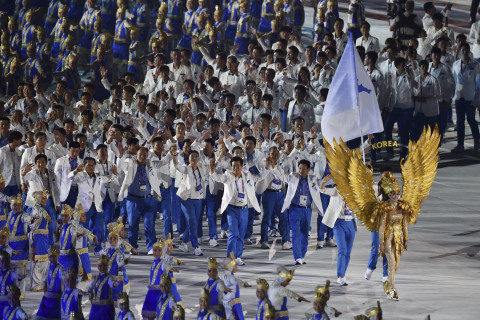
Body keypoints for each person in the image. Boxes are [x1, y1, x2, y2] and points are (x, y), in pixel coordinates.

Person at [323, 128, 440, 299]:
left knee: (390, 254)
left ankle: (387, 279)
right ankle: (371, 268)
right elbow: (356, 169)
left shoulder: (396, 194)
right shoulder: (374, 190)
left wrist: (405, 236)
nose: (389, 182)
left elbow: (405, 215)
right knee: (375, 248)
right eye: (385, 177)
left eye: (390, 178)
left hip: (393, 230)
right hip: (376, 223)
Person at [210, 156, 262, 266]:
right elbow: (217, 178)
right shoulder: (228, 176)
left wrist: (266, 167)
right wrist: (211, 169)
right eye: (233, 166)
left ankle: (238, 256)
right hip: (231, 209)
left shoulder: (247, 175)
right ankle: (230, 257)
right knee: (233, 233)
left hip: (244, 209)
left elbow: (260, 177)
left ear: (242, 166)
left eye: (238, 165)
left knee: (241, 234)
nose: (236, 168)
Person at [118, 147, 163, 254]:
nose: (142, 156)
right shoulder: (131, 164)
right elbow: (121, 166)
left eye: (144, 154)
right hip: (133, 200)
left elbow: (155, 179)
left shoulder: (150, 166)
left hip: (148, 200)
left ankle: (151, 246)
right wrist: (120, 156)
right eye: (140, 154)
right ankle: (132, 246)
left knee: (149, 224)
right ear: (136, 155)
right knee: (133, 225)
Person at [281, 159, 323, 265]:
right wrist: (272, 168)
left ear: (308, 169)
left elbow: (321, 186)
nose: (301, 170)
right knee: (296, 234)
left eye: (304, 168)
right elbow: (282, 176)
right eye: (300, 168)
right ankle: (298, 257)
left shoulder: (312, 179)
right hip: (295, 209)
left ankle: (302, 255)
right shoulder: (292, 178)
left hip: (307, 210)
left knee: (305, 234)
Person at [173, 149, 208, 256]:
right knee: (192, 221)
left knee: (194, 223)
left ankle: (184, 242)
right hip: (186, 199)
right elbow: (177, 166)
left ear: (198, 158)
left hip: (198, 198)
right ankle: (196, 246)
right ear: (188, 159)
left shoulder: (202, 168)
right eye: (191, 156)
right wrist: (174, 155)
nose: (193, 158)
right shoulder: (186, 169)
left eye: (195, 156)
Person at [451, 43, 480, 152]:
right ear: (460, 51)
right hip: (459, 96)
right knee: (459, 121)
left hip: (470, 98)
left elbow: (477, 84)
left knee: (471, 120)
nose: (465, 52)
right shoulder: (455, 64)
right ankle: (460, 144)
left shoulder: (475, 65)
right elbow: (453, 80)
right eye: (463, 50)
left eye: (467, 50)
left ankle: (477, 140)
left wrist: (475, 101)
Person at [29, 190, 52, 291]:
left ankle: (40, 283)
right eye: (43, 198)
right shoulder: (38, 210)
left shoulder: (40, 209)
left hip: (43, 237)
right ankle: (35, 284)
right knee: (38, 259)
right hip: (38, 237)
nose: (45, 199)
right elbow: (34, 225)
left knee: (44, 260)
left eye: (45, 198)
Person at [7, 194, 29, 300]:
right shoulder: (10, 214)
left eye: (17, 205)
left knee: (21, 271)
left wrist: (32, 219)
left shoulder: (23, 215)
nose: (15, 207)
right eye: (13, 205)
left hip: (21, 246)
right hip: (11, 246)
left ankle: (21, 292)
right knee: (11, 270)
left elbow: (28, 219)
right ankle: (12, 290)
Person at [36, 246, 64, 320]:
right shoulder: (48, 266)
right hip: (47, 295)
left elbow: (64, 278)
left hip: (56, 296)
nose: (52, 258)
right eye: (50, 257)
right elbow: (45, 277)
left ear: (57, 257)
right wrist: (44, 284)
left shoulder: (60, 268)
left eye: (54, 256)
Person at [88, 255, 120, 320]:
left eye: (104, 265)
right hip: (96, 307)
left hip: (106, 307)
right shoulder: (96, 278)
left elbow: (111, 283)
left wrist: (115, 284)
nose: (102, 268)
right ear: (98, 267)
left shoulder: (109, 277)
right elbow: (90, 288)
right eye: (100, 266)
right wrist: (90, 297)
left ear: (107, 266)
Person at [222, 253, 250, 320]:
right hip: (232, 303)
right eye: (235, 266)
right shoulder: (229, 276)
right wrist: (243, 283)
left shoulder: (226, 274)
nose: (236, 267)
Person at [142, 239, 165, 319]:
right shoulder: (154, 262)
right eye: (155, 250)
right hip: (151, 290)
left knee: (157, 312)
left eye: (159, 250)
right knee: (147, 311)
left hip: (159, 291)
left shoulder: (163, 263)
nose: (157, 252)